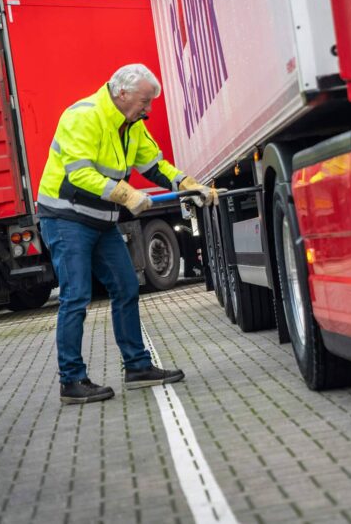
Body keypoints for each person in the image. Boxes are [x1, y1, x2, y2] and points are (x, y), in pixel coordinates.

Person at [37, 63, 217, 405]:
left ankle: (137, 367)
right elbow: (79, 175)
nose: (148, 110)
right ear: (122, 93)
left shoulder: (132, 124)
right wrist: (127, 195)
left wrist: (186, 184)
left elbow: (153, 165)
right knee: (76, 296)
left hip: (100, 221)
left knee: (126, 286)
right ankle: (72, 381)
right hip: (65, 219)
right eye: (145, 102)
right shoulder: (83, 116)